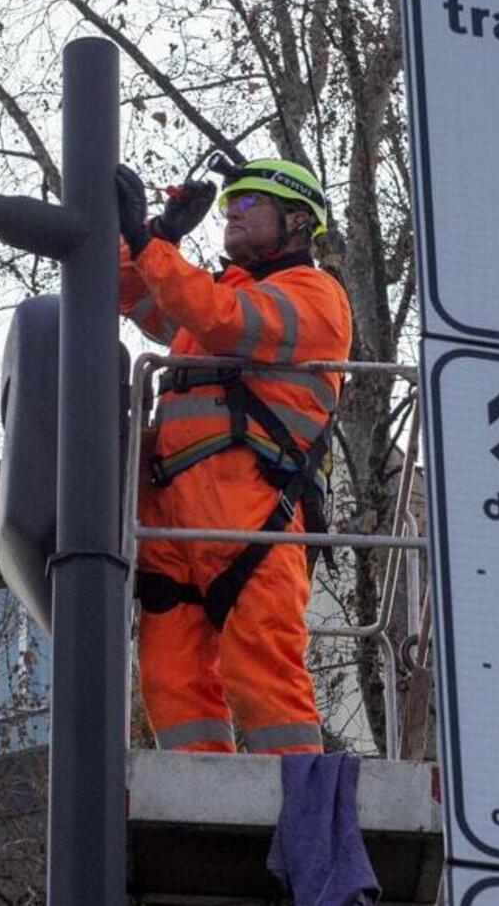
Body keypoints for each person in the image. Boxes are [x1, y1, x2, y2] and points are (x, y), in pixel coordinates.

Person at [116, 157, 352, 755]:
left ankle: (306, 815)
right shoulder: (216, 290)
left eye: (250, 205)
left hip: (253, 511)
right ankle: (199, 810)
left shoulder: (317, 296)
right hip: (175, 516)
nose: (231, 214)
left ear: (298, 223)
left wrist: (154, 246)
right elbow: (125, 289)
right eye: (228, 206)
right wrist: (159, 235)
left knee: (265, 679)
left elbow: (223, 321)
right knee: (172, 679)